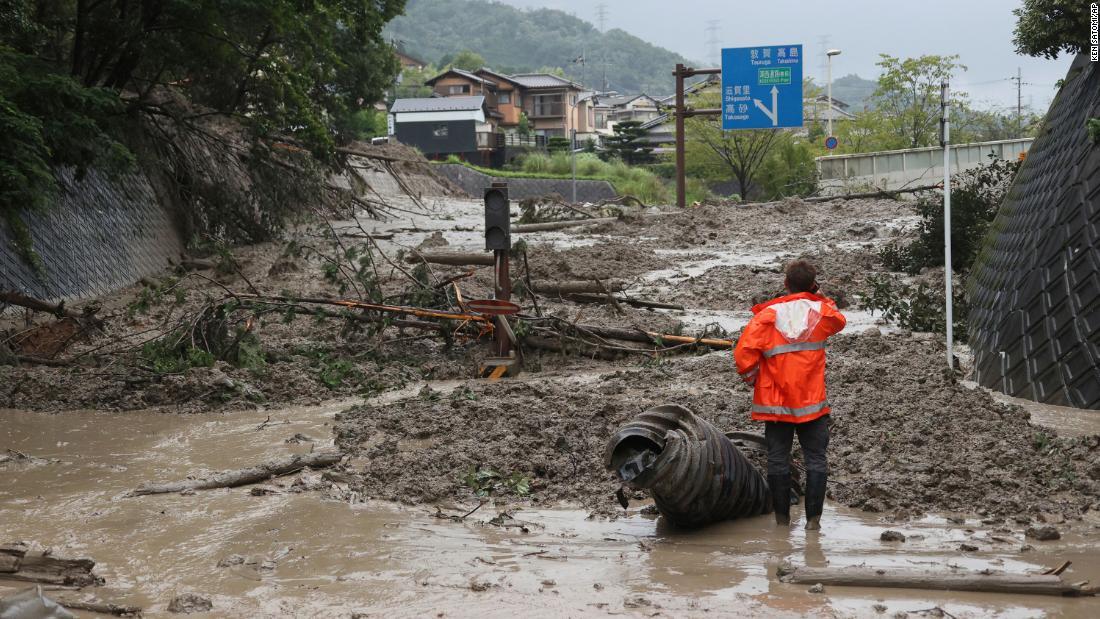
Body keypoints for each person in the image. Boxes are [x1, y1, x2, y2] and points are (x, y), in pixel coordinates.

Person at [734, 260, 846, 530]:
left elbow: (743, 356)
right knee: (816, 459)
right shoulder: (821, 312)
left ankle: (782, 521)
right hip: (813, 404)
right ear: (812, 284)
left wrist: (756, 381)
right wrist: (815, 295)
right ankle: (813, 523)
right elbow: (839, 319)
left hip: (776, 405)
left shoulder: (767, 316)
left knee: (777, 459)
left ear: (785, 284)